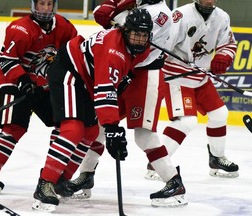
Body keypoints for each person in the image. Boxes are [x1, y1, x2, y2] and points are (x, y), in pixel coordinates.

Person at [58, 0, 188, 208]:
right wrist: (112, 7)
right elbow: (104, 15)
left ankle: (174, 182)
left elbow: (127, 27)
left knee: (143, 134)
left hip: (146, 75)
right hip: (125, 71)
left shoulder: (161, 13)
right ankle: (86, 175)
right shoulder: (138, 3)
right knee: (100, 123)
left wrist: (114, 11)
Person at [32, 8, 154, 212]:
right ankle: (45, 183)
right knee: (73, 129)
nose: (139, 40)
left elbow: (123, 72)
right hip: (69, 70)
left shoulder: (142, 47)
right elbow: (105, 91)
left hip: (87, 78)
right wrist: (113, 128)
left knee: (90, 132)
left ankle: (62, 179)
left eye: (144, 35)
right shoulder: (112, 51)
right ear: (125, 31)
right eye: (135, 34)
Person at [0, 0, 78, 194]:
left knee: (64, 124)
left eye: (49, 4)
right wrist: (24, 82)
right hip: (15, 82)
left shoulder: (64, 26)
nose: (46, 8)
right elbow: (6, 60)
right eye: (42, 3)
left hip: (44, 85)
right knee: (14, 127)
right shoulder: (20, 29)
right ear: (34, 6)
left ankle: (53, 175)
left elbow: (75, 52)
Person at [145, 0, 239, 180]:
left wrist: (222, 56)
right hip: (177, 77)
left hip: (200, 77)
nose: (209, 0)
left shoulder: (222, 17)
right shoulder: (180, 16)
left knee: (220, 114)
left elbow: (229, 44)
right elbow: (162, 44)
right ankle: (157, 163)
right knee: (186, 121)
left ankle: (217, 158)